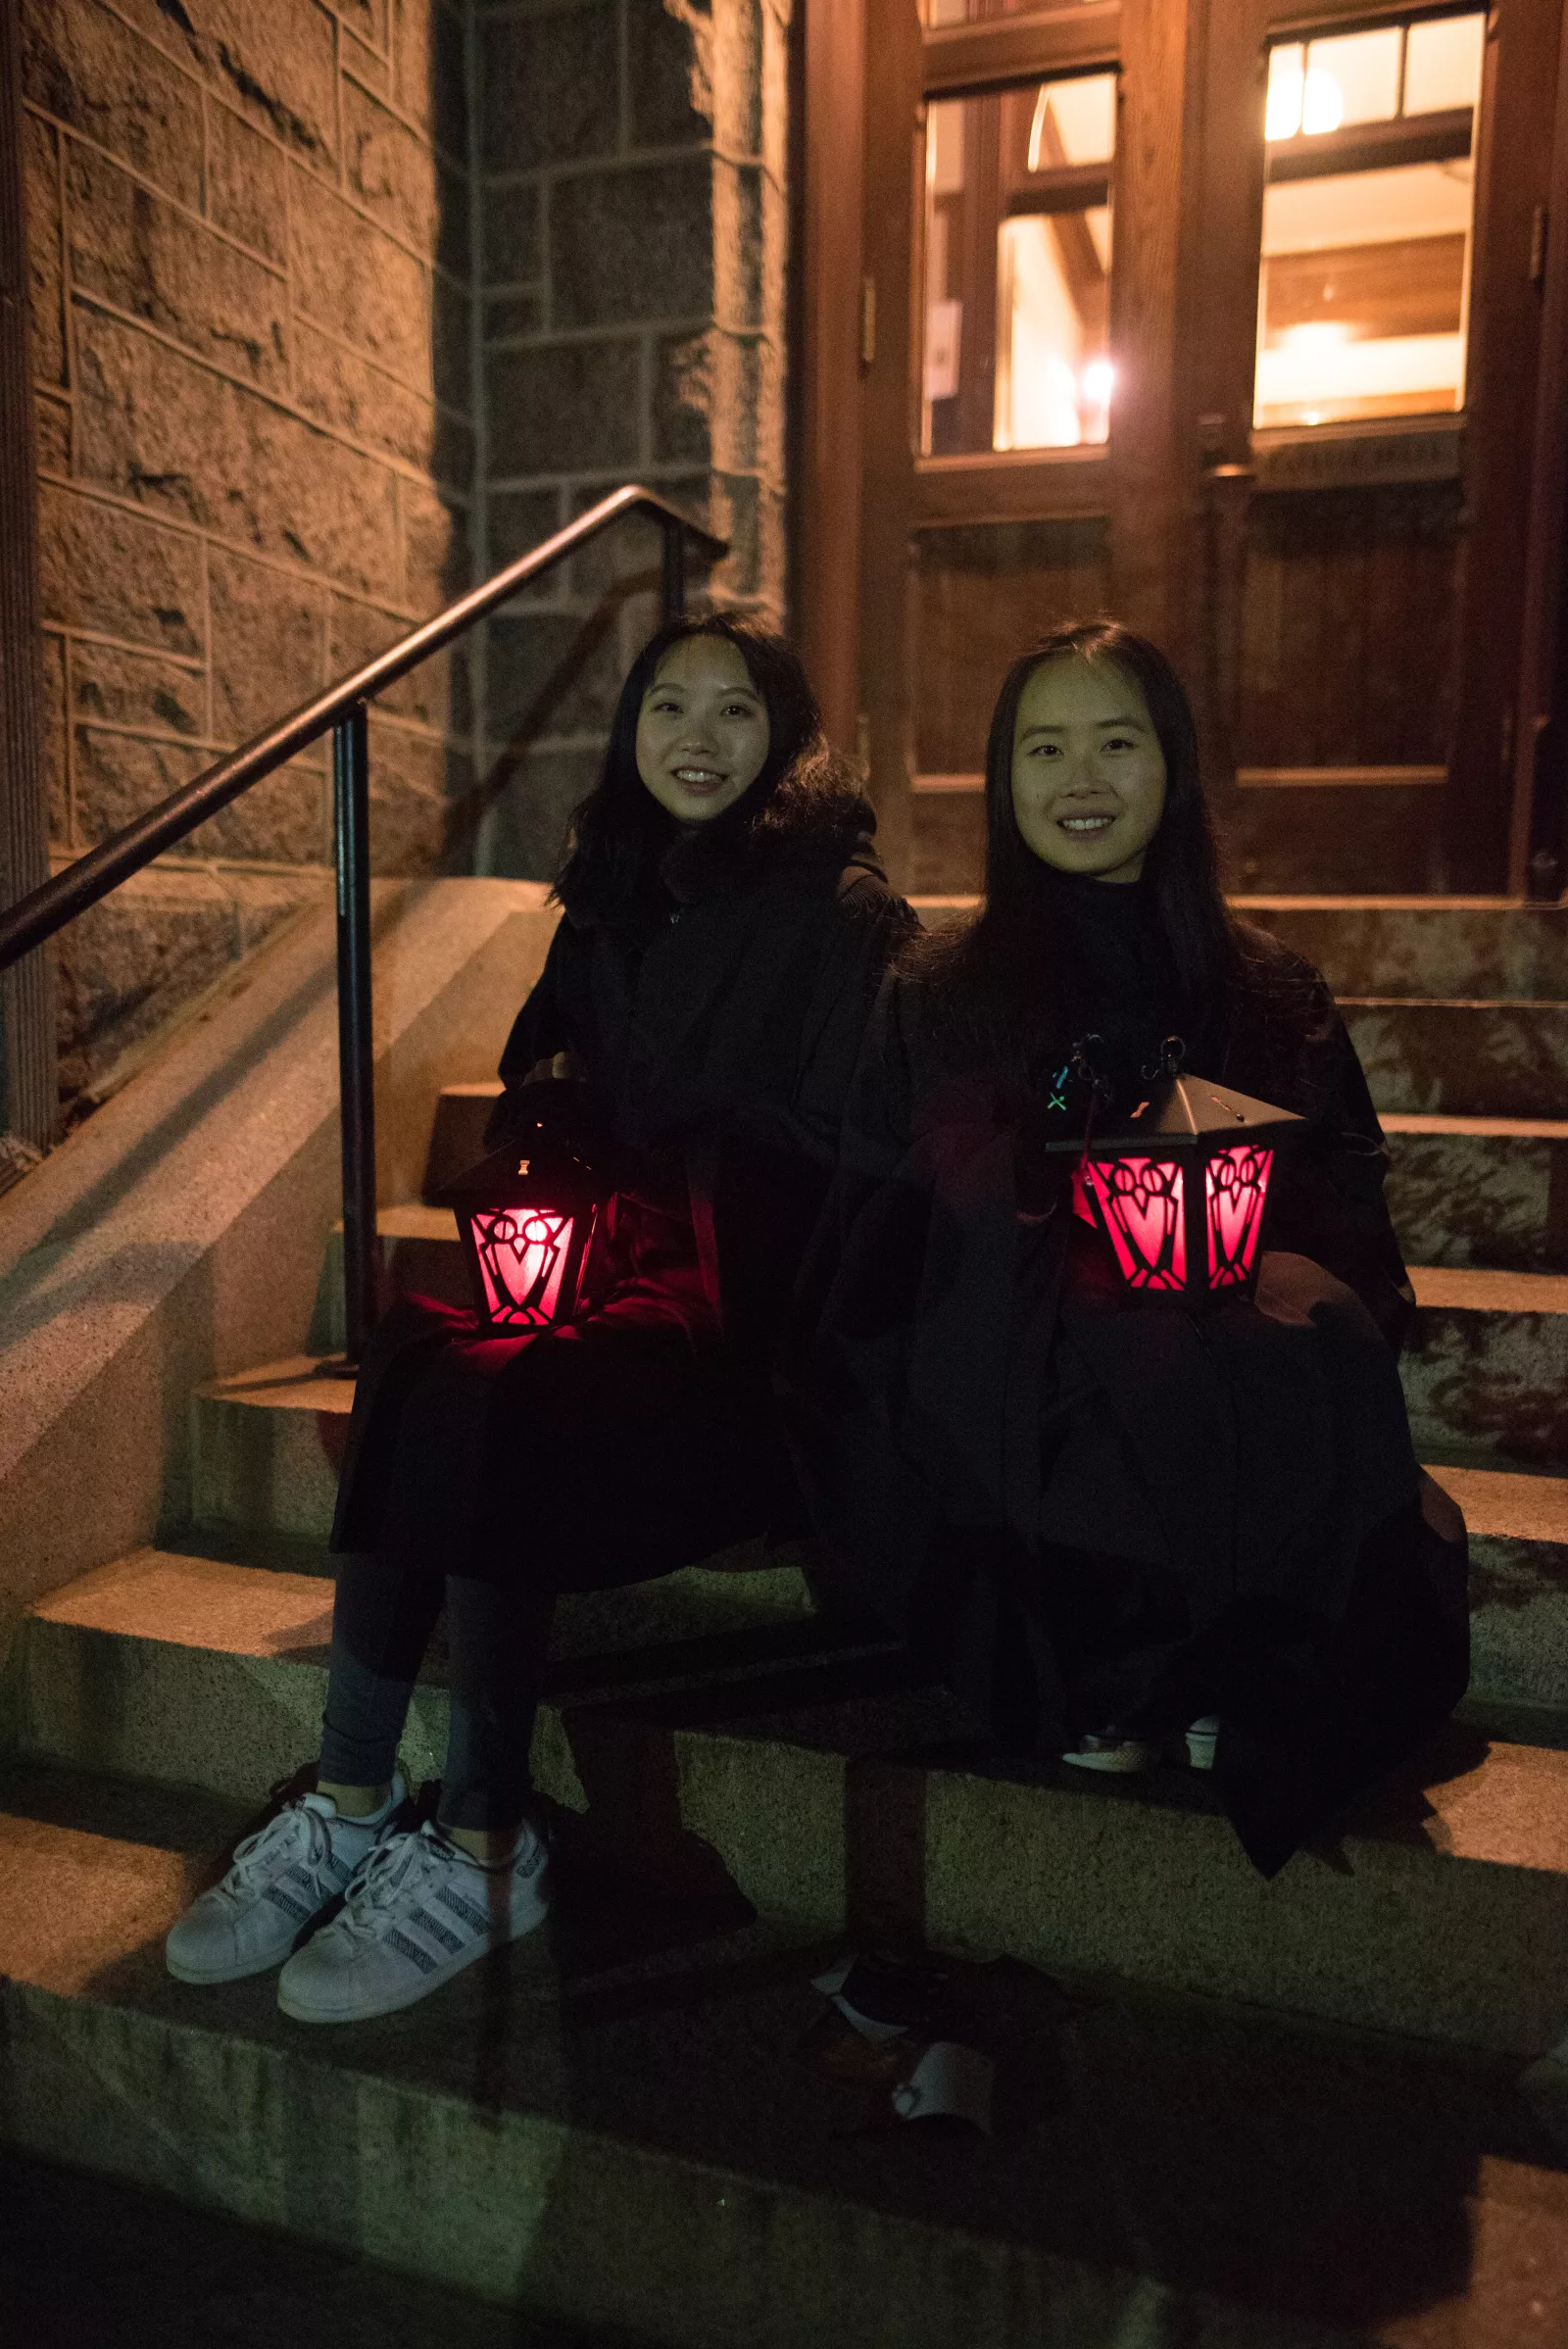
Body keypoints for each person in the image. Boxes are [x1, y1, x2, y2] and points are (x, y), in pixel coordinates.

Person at [165, 613, 913, 2019]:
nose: (698, 738)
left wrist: (678, 1140)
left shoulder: (843, 913)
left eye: (735, 711)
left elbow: (862, 1173)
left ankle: (487, 1840)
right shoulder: (612, 899)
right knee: (413, 1354)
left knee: (503, 1397)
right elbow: (537, 1080)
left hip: (757, 1345)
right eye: (667, 707)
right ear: (629, 733)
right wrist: (553, 1129)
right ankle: (350, 1794)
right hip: (610, 1303)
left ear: (789, 739)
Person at [782, 621, 1468, 1879]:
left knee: (1288, 1324)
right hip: (1007, 1372)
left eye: (1116, 741)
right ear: (1003, 778)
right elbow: (885, 1225)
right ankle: (1116, 1659)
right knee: (1076, 1336)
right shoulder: (936, 989)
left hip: (1228, 1362)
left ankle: (1218, 1661)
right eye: (1043, 747)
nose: (1079, 777)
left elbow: (1340, 1213)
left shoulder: (1265, 987)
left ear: (1176, 766)